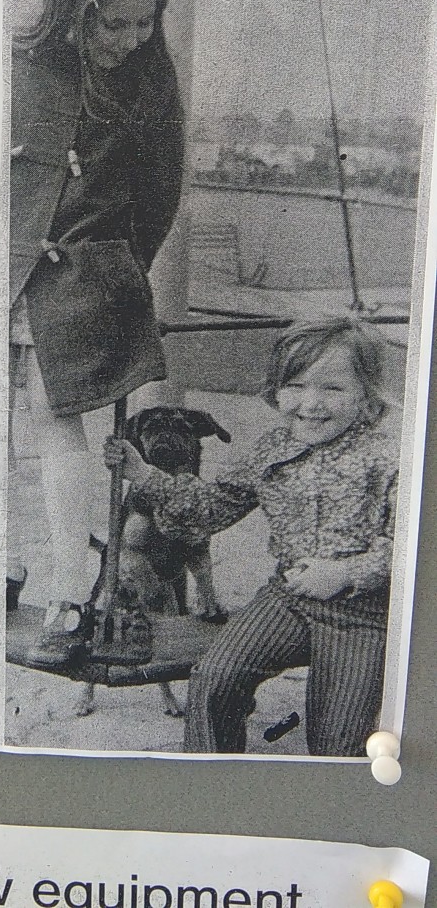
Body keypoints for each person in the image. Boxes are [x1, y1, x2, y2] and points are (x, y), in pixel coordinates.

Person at [9, 0, 184, 667]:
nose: (129, 40)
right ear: (73, 8)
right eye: (113, 24)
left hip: (87, 270)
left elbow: (160, 191)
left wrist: (113, 268)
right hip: (4, 263)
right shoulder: (25, 65)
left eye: (144, 23)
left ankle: (69, 596)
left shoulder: (149, 83)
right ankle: (7, 563)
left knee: (56, 420)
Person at [105, 318, 399, 755]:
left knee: (337, 739)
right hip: (287, 599)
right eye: (295, 386)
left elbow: (413, 546)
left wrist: (347, 572)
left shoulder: (388, 458)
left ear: (367, 396)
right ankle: (212, 779)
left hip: (363, 614)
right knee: (215, 678)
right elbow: (211, 507)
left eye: (333, 389)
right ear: (275, 389)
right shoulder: (273, 448)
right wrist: (144, 474)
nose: (310, 403)